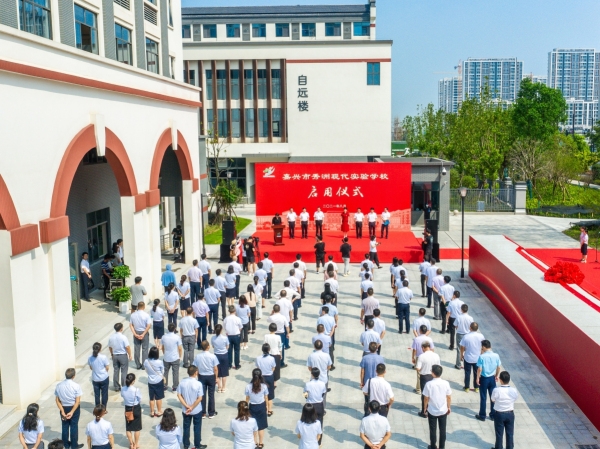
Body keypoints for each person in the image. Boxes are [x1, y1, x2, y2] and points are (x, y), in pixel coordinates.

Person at [177, 366, 206, 449]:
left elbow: (179, 395)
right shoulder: (198, 384)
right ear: (195, 372)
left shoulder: (182, 382)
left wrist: (187, 406)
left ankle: (186, 445)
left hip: (185, 410)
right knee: (197, 427)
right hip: (196, 410)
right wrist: (192, 407)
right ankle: (197, 444)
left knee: (186, 427)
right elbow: (200, 398)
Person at [423, 365, 452, 449]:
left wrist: (425, 407)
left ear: (433, 373)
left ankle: (433, 446)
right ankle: (442, 447)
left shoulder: (429, 384)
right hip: (443, 410)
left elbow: (426, 398)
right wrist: (448, 407)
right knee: (442, 430)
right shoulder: (446, 383)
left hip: (432, 410)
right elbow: (449, 397)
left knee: (433, 430)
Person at [54, 368, 83, 449]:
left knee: (64, 426)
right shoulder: (76, 386)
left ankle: (65, 445)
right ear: (73, 376)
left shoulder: (59, 386)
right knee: (74, 426)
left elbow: (57, 400)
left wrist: (62, 411)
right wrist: (72, 411)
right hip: (74, 407)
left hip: (63, 407)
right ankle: (74, 445)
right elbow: (77, 401)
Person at [476, 340, 502, 422]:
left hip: (484, 378)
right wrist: (497, 375)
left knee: (483, 397)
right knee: (493, 397)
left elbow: (479, 369)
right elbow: (498, 367)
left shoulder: (482, 356)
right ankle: (493, 415)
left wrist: (477, 378)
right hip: (492, 378)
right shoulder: (496, 355)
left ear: (483, 347)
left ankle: (482, 415)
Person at [491, 371, 518, 449]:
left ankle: (498, 447)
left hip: (499, 414)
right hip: (510, 414)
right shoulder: (514, 390)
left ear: (500, 380)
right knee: (510, 433)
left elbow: (493, 399)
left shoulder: (497, 390)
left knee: (499, 433)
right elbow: (515, 398)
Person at [192, 340, 219, 419]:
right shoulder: (212, 356)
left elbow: (195, 367)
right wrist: (216, 378)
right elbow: (215, 368)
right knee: (211, 395)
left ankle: (203, 413)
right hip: (210, 376)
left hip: (201, 376)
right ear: (208, 347)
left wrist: (196, 375)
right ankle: (211, 412)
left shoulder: (198, 356)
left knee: (202, 395)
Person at [245, 369, 270, 448]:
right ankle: (261, 443)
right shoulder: (264, 386)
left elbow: (247, 398)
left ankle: (254, 442)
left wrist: (246, 407)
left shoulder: (248, 386)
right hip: (261, 406)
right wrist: (267, 407)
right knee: (261, 427)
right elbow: (266, 397)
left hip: (252, 406)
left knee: (253, 426)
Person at [416, 341, 441, 417]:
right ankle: (432, 408)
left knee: (425, 394)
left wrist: (421, 370)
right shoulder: (436, 355)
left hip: (425, 377)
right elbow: (439, 366)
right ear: (429, 347)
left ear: (423, 348)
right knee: (433, 393)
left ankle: (424, 411)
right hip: (434, 376)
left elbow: (418, 368)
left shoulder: (421, 356)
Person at [303, 368, 327, 444]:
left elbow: (305, 394)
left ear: (312, 374)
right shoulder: (322, 384)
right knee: (319, 424)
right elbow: (323, 394)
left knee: (309, 423)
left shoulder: (308, 384)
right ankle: (318, 442)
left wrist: (307, 397)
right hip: (319, 405)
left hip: (310, 406)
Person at [460, 322, 485, 393]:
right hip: (477, 358)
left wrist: (461, 354)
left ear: (470, 328)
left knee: (467, 373)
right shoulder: (481, 336)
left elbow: (462, 346)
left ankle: (467, 387)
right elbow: (483, 346)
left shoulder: (466, 336)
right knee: (476, 373)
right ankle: (476, 387)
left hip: (468, 357)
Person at [306, 340, 332, 407]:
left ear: (314, 346)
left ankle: (313, 407)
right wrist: (324, 370)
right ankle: (322, 408)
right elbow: (329, 366)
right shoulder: (326, 355)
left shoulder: (311, 356)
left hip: (313, 379)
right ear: (322, 346)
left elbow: (309, 368)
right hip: (323, 378)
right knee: (323, 395)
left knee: (312, 394)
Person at [107, 323, 131, 391]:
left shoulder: (111, 337)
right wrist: (130, 355)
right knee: (124, 371)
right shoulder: (123, 337)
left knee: (116, 371)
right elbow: (127, 347)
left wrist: (112, 354)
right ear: (121, 328)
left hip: (115, 355)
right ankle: (124, 386)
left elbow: (110, 347)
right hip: (123, 355)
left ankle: (116, 386)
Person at [121, 373, 142, 449]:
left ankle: (131, 444)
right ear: (133, 381)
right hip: (135, 408)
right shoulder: (136, 390)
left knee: (128, 427)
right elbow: (140, 399)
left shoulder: (123, 389)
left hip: (127, 408)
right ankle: (136, 444)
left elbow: (122, 396)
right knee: (137, 428)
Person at [412, 326, 435, 395]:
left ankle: (418, 389)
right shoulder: (429, 339)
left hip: (419, 357)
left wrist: (413, 357)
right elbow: (432, 349)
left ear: (420, 331)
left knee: (419, 374)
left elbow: (414, 349)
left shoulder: (416, 339)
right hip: (429, 356)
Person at [129, 302, 152, 369]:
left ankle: (138, 364)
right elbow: (148, 325)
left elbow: (130, 325)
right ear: (144, 307)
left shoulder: (133, 315)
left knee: (137, 349)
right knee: (145, 349)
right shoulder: (146, 315)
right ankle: (144, 365)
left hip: (136, 331)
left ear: (137, 307)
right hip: (144, 332)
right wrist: (143, 334)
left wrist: (135, 334)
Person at [255, 343, 277, 415]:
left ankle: (264, 409)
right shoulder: (271, 358)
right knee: (270, 395)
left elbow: (257, 368)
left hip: (261, 377)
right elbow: (273, 368)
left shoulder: (258, 358)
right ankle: (269, 410)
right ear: (269, 350)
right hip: (269, 377)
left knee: (262, 394)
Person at [144, 346, 165, 418]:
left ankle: (152, 411)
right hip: (158, 380)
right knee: (158, 397)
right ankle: (159, 411)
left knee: (151, 397)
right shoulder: (159, 362)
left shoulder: (146, 361)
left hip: (150, 381)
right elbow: (162, 371)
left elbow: (146, 370)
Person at [161, 323, 183, 392]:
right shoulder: (177, 337)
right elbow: (180, 348)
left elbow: (162, 347)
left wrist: (164, 353)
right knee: (175, 372)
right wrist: (180, 356)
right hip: (175, 357)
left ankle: (164, 385)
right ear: (174, 329)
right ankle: (175, 387)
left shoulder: (164, 337)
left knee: (165, 372)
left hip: (166, 357)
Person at [88, 343, 110, 408]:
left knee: (97, 395)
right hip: (104, 377)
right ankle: (103, 408)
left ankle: (97, 409)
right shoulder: (103, 357)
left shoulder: (90, 357)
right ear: (100, 349)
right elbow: (107, 367)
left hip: (95, 378)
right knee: (104, 394)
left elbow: (91, 367)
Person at [211, 324, 230, 393]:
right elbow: (227, 346)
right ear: (221, 330)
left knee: (217, 373)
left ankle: (219, 387)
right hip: (224, 355)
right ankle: (223, 387)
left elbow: (213, 346)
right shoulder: (225, 338)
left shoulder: (213, 338)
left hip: (216, 355)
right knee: (224, 373)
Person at [454, 303, 474, 369]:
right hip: (468, 335)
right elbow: (472, 327)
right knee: (467, 350)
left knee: (459, 349)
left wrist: (459, 328)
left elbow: (455, 325)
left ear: (461, 310)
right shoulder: (471, 318)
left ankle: (458, 364)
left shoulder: (458, 317)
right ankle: (466, 363)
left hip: (460, 334)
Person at [224, 305, 243, 370]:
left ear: (229, 311)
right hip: (236, 335)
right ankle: (237, 365)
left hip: (229, 336)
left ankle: (229, 364)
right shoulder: (238, 319)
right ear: (235, 311)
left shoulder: (226, 318)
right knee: (237, 350)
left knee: (229, 351)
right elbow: (240, 327)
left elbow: (224, 326)